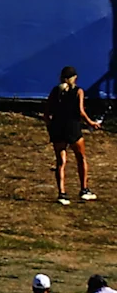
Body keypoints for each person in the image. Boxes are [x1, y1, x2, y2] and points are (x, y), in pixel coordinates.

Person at [51, 65, 101, 203]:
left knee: (60, 162)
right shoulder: (78, 91)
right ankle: (84, 189)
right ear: (74, 78)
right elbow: (80, 111)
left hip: (58, 128)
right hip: (72, 128)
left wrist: (51, 127)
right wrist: (91, 123)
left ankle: (62, 193)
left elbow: (47, 112)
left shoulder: (55, 91)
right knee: (81, 158)